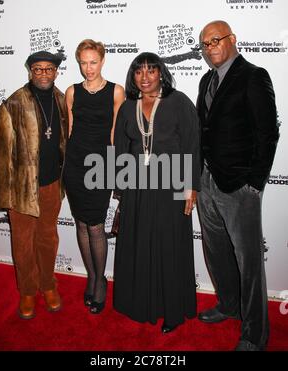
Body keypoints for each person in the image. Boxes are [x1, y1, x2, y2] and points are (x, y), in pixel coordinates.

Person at [196, 20, 279, 351]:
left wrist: (254, 183)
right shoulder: (206, 80)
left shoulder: (254, 75)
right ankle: (229, 305)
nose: (211, 46)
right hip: (206, 181)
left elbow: (268, 132)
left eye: (216, 40)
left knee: (249, 263)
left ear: (233, 39)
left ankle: (255, 333)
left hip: (239, 186)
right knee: (217, 254)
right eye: (205, 43)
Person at [113, 52, 200, 333]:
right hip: (137, 188)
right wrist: (122, 193)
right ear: (133, 76)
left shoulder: (179, 102)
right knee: (139, 241)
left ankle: (172, 311)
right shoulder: (128, 107)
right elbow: (122, 152)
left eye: (151, 70)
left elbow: (192, 145)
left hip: (172, 185)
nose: (145, 77)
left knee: (169, 244)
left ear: (161, 73)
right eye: (139, 72)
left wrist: (191, 187)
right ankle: (141, 303)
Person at [0, 51, 68, 319]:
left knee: (48, 239)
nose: (44, 73)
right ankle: (27, 290)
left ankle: (48, 285)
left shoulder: (63, 100)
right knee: (23, 243)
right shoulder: (13, 103)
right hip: (21, 189)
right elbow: (2, 155)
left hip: (52, 185)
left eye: (49, 69)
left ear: (56, 71)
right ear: (30, 71)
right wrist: (6, 197)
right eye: (38, 69)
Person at [63, 39, 125, 314]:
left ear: (103, 60)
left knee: (96, 226)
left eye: (93, 62)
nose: (88, 68)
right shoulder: (72, 92)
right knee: (80, 224)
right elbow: (69, 132)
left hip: (100, 165)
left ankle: (100, 281)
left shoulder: (116, 92)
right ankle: (91, 275)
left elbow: (116, 135)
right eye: (83, 63)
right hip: (75, 165)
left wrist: (117, 174)